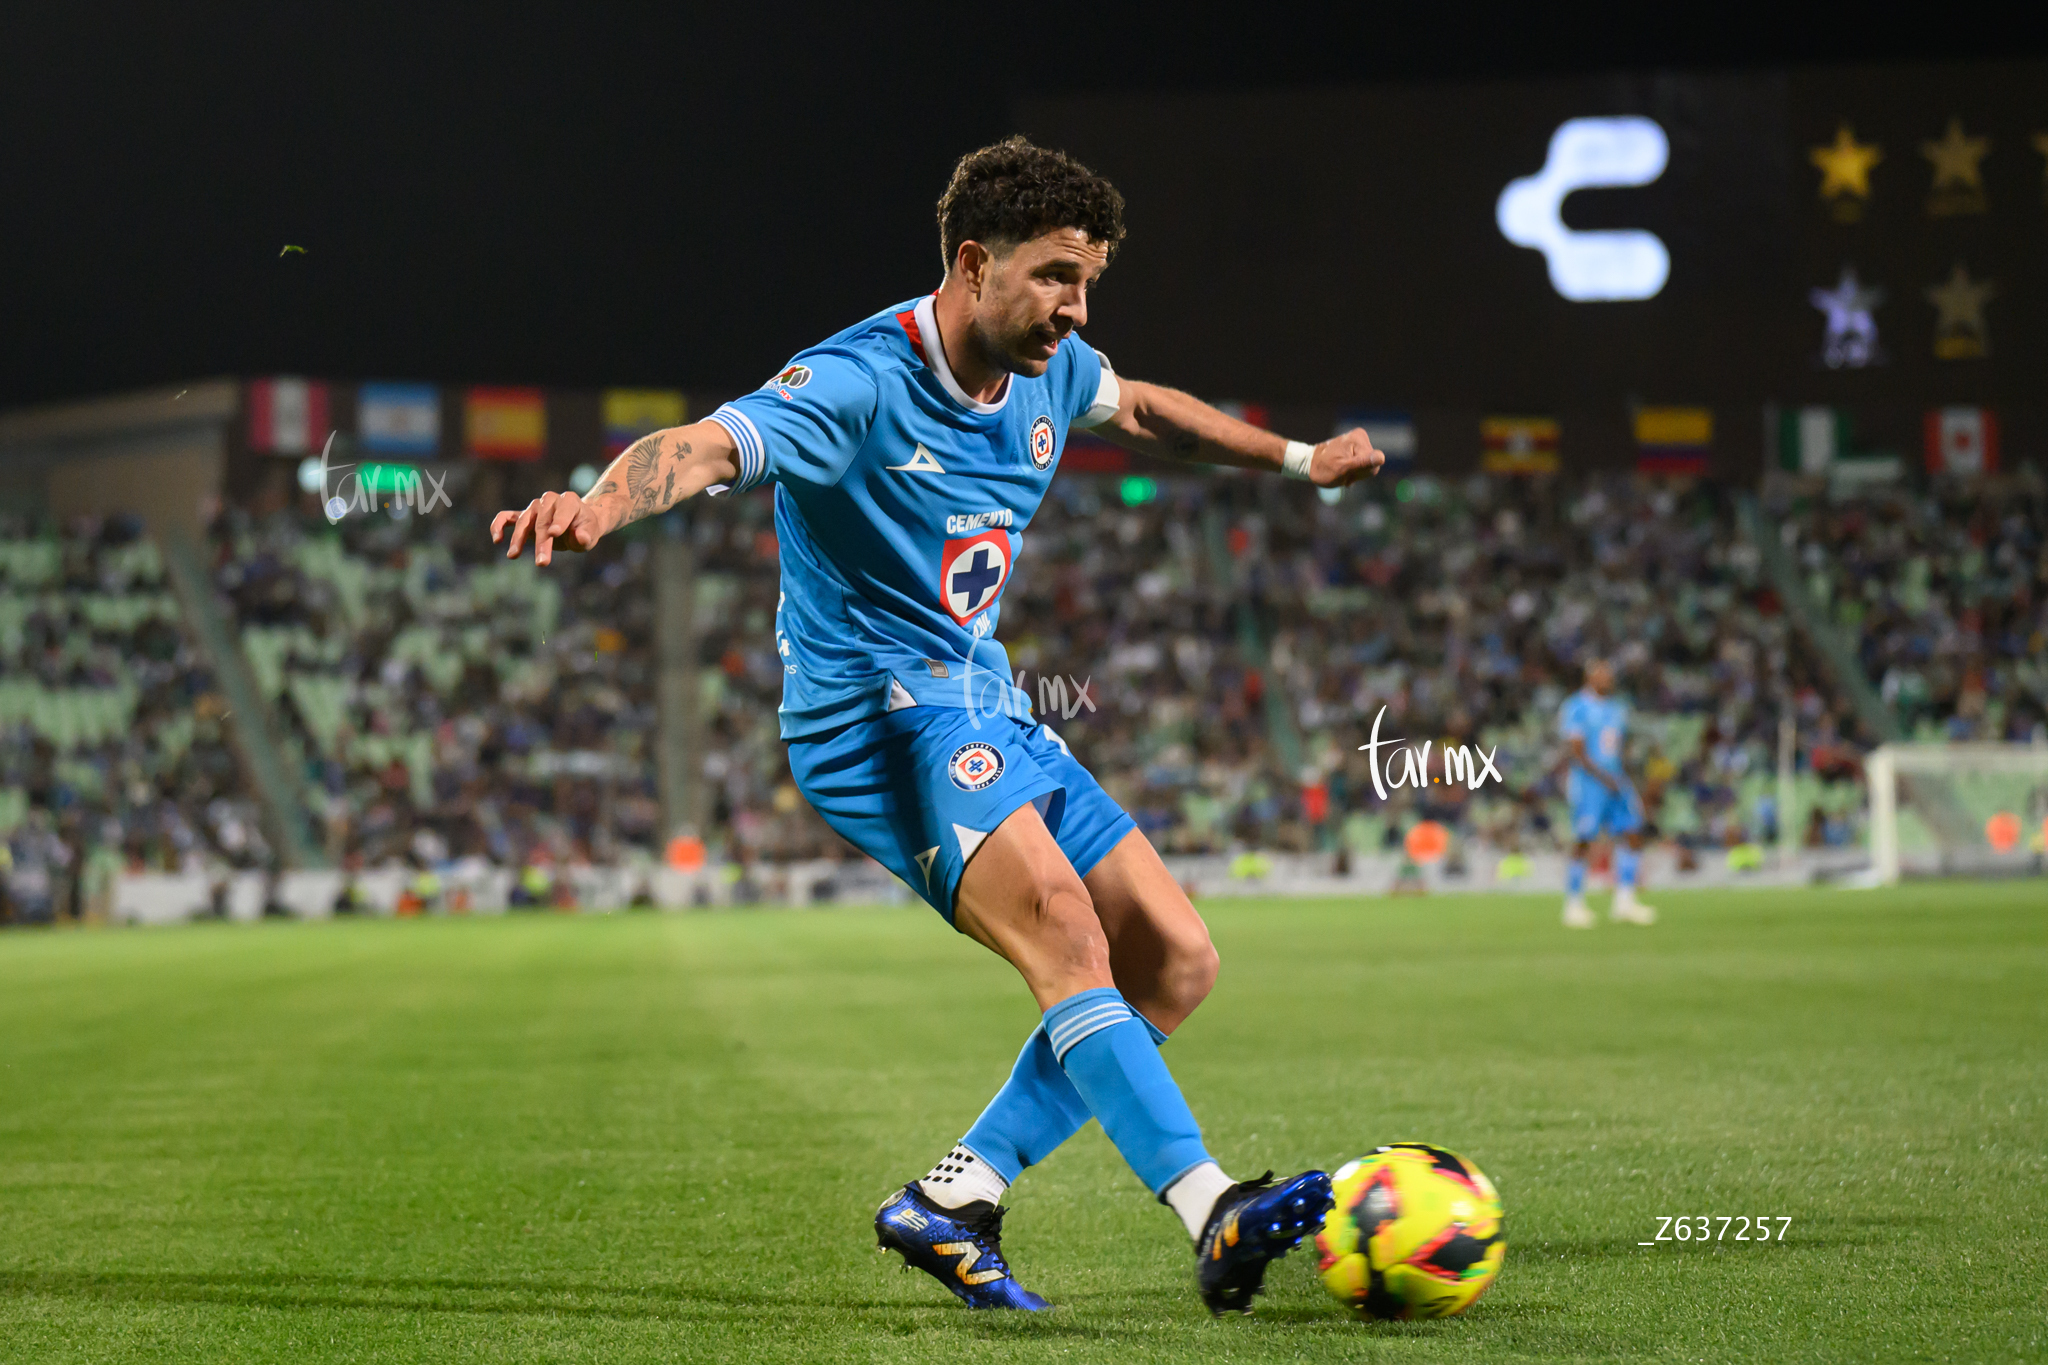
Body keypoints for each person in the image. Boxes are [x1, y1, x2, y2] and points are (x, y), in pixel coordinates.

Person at [492, 137, 1384, 1315]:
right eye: (1057, 277)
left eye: (1089, 284)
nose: (1074, 309)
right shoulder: (859, 380)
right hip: (871, 717)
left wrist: (1295, 459)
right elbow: (709, 444)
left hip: (982, 702)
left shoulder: (1051, 370)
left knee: (1175, 961)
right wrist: (603, 505)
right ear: (973, 262)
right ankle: (1211, 1208)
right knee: (1065, 932)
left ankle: (956, 1196)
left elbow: (1148, 410)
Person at [1558, 658, 1657, 928]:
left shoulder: (1617, 709)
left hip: (1615, 780)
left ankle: (1624, 901)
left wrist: (1623, 778)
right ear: (1590, 678)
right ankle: (1573, 903)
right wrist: (1603, 777)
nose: (1609, 680)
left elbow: (1617, 749)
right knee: (1584, 839)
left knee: (1633, 833)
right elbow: (1576, 751)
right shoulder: (1576, 707)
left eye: (1610, 675)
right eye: (1603, 675)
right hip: (1589, 783)